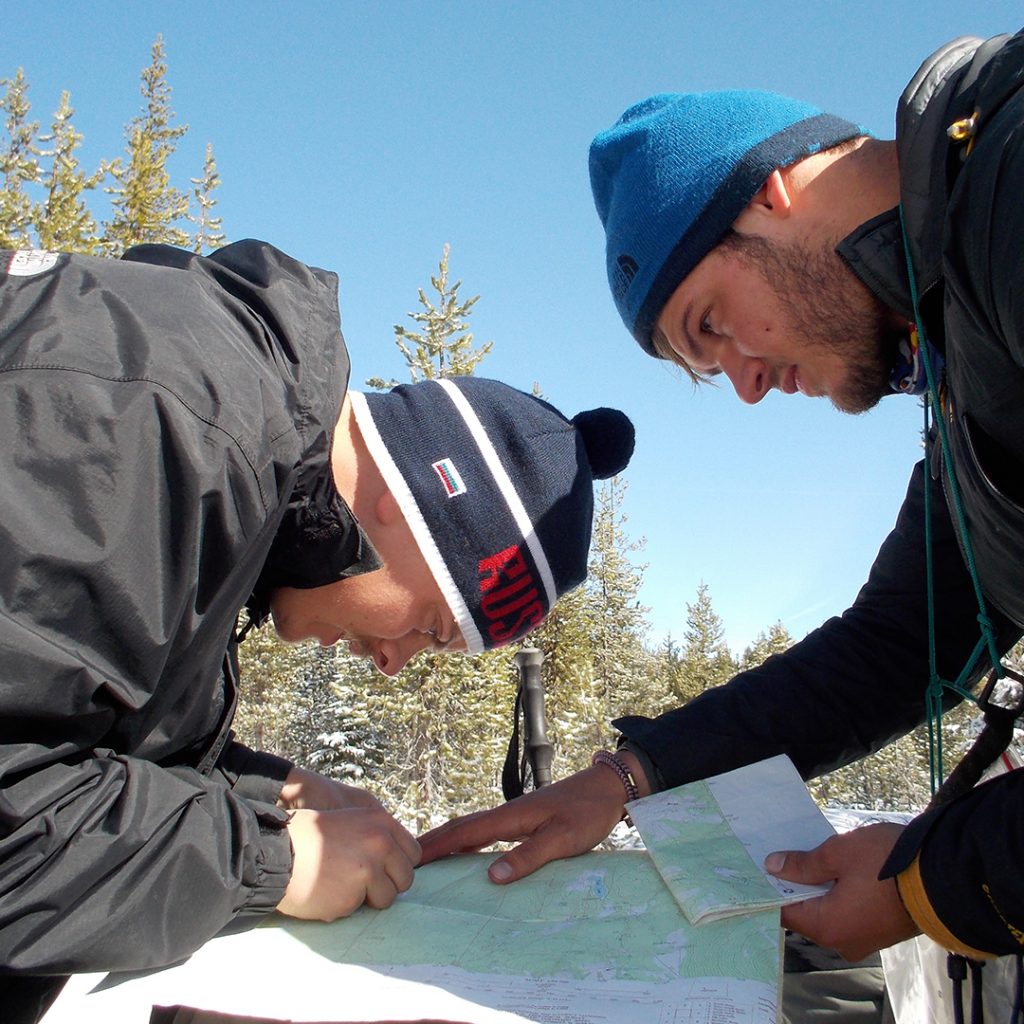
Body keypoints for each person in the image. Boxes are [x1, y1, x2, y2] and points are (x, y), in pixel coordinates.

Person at [420, 26, 1024, 981]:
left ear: (771, 189)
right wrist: (625, 780)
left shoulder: (1008, 179)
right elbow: (900, 645)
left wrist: (938, 881)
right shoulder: (968, 367)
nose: (744, 387)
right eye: (708, 370)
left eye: (712, 326)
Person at [0, 239, 634, 1022]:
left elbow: (72, 735)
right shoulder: (154, 419)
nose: (395, 664)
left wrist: (271, 790)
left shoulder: (236, 462)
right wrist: (269, 861)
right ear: (402, 510)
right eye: (433, 629)